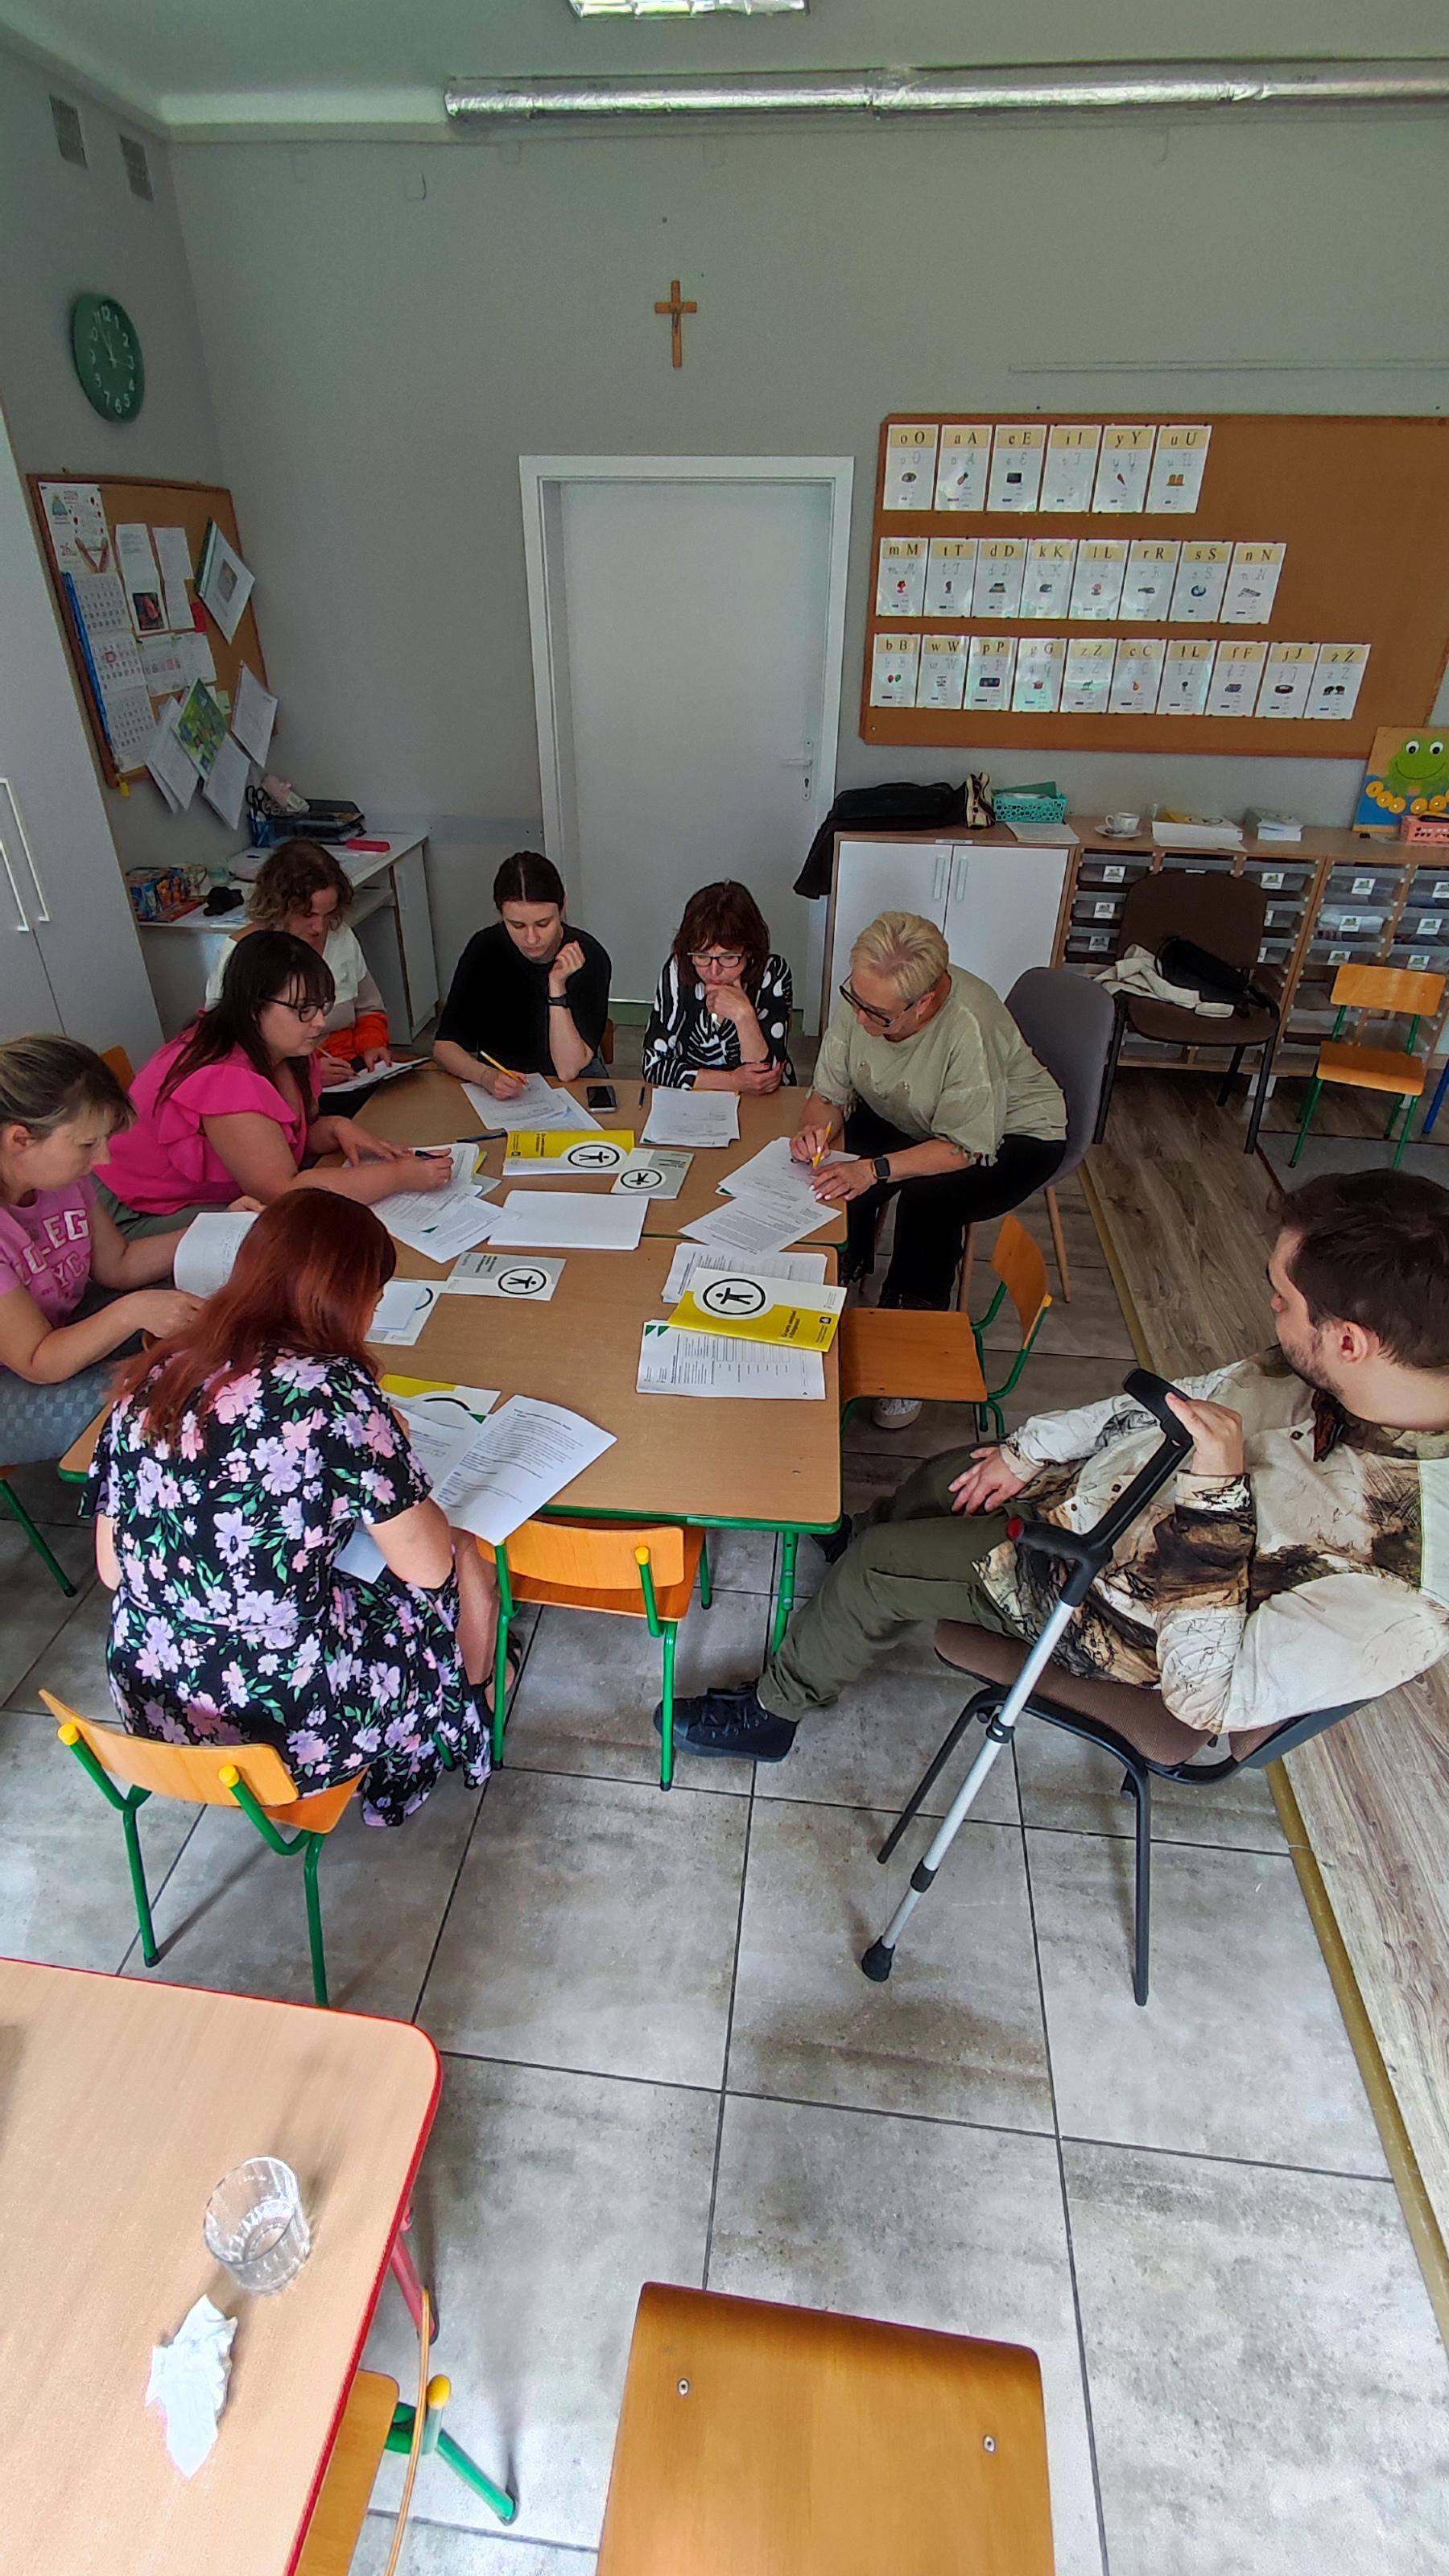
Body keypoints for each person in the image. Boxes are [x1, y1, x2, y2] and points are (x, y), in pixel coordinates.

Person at [660, 1169, 1449, 1765]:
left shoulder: (1406, 1583)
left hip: (1108, 1602)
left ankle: (774, 1713)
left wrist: (1214, 1496)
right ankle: (856, 1552)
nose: (1270, 1310)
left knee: (879, 1568)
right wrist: (1029, 1448)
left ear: (1350, 1339)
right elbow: (1175, 1403)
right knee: (946, 1475)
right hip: (1105, 1495)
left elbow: (1207, 1698)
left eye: (1282, 1299)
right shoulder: (1330, 1371)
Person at [88, 1193, 498, 1827]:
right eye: (374, 1295)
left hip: (155, 1703)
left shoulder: (155, 1375)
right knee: (451, 1574)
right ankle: (447, 1727)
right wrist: (387, 1454)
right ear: (348, 1299)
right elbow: (427, 1567)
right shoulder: (333, 1392)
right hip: (288, 1723)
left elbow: (113, 1570)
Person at [794, 911, 1066, 1426]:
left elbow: (964, 1148)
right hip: (914, 1109)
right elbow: (828, 1094)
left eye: (877, 1015)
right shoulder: (867, 997)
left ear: (925, 1003)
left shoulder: (968, 1024)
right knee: (836, 1167)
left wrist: (875, 1170)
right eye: (854, 999)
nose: (860, 1020)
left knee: (928, 1203)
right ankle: (842, 1273)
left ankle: (908, 1341)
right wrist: (815, 1130)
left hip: (1011, 1135)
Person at [95, 932, 448, 1236]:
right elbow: (285, 1194)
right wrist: (398, 1177)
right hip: (137, 1216)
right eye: (303, 1009)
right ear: (254, 1008)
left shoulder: (283, 1046)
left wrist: (337, 1127)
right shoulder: (225, 1078)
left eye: (322, 1006)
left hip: (208, 1195)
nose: (320, 1022)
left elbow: (286, 1137)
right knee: (291, 1241)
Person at [0, 1037, 200, 1463]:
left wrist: (210, 1234)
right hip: (20, 1373)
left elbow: (118, 1264)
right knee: (145, 1397)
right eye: (87, 1144)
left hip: (57, 1333)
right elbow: (38, 1360)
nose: (104, 1159)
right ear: (20, 1140)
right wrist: (132, 1311)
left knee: (196, 1308)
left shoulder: (59, 1178)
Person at [204, 839, 393, 1085]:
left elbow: (369, 1008)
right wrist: (307, 1074)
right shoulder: (241, 954)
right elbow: (227, 1052)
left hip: (353, 1070)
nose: (319, 928)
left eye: (328, 914)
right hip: (282, 1085)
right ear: (278, 906)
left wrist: (372, 1044)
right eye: (308, 915)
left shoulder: (341, 936)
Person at [433, 851, 610, 1102]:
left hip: (573, 1087)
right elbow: (444, 1047)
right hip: (504, 1087)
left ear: (562, 908)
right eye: (517, 926)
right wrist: (485, 1076)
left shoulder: (587, 956)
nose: (531, 938)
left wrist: (556, 987)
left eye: (543, 924)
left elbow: (568, 1069)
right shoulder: (485, 949)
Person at [642, 881, 796, 1093]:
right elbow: (653, 1066)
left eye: (728, 958)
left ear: (749, 952)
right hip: (691, 1101)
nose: (714, 971)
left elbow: (766, 1079)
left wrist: (744, 1016)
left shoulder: (773, 972)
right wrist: (732, 1081)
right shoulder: (678, 969)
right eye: (702, 956)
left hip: (763, 1103)